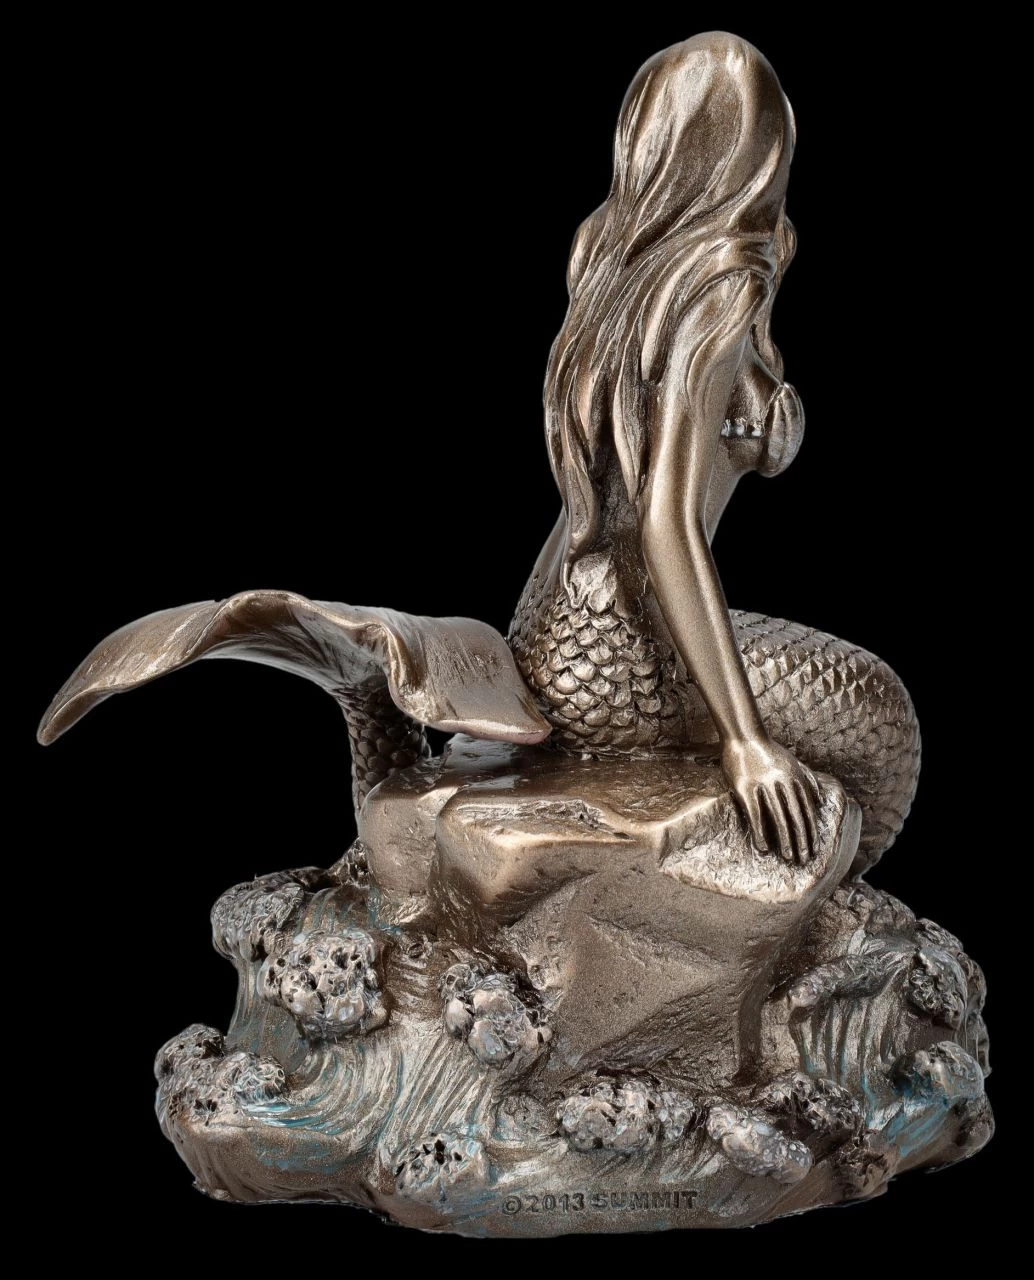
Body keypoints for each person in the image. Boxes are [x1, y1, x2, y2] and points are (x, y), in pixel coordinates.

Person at [509, 32, 919, 872]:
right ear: (761, 153)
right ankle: (814, 913)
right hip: (625, 654)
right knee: (879, 719)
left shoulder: (608, 252)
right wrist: (745, 741)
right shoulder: (719, 286)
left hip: (551, 623)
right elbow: (663, 521)